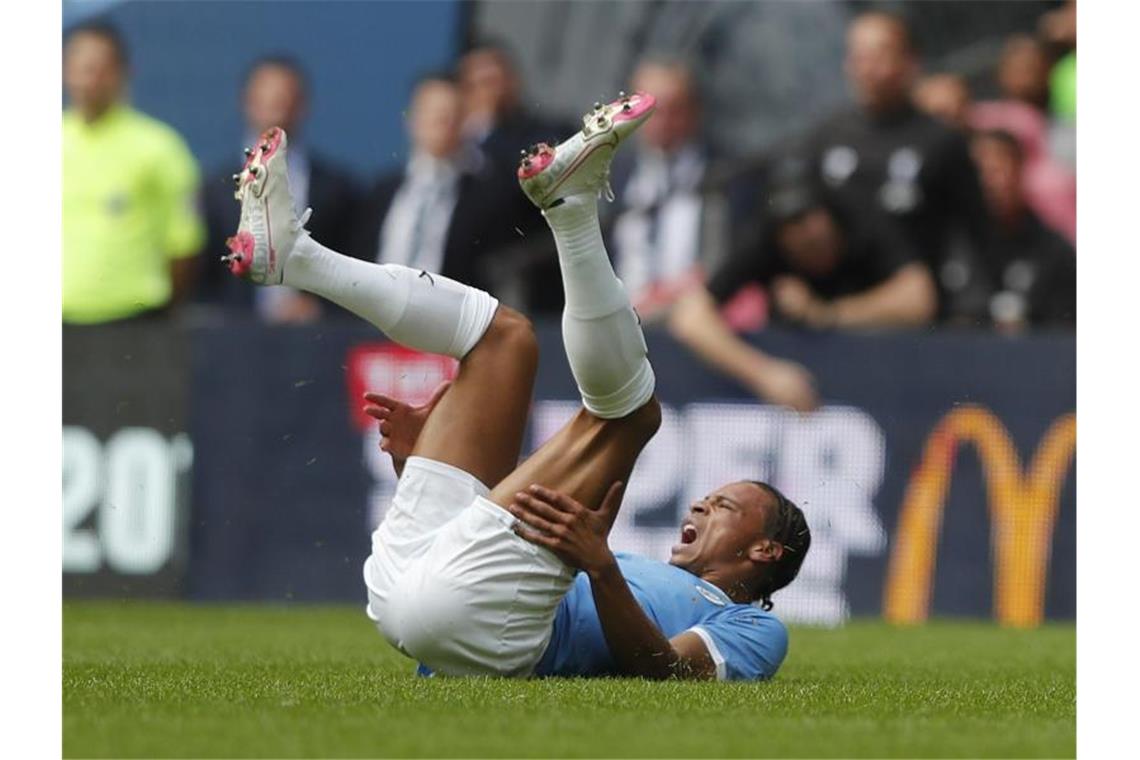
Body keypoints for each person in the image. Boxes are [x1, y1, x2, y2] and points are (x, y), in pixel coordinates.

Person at [220, 93, 810, 680]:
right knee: (503, 339)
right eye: (713, 497)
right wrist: (427, 461)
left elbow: (676, 675)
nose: (702, 502)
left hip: (475, 626)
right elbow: (494, 554)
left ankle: (571, 209)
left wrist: (600, 569)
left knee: (632, 418)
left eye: (726, 506)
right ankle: (294, 256)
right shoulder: (625, 563)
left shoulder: (754, 628)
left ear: (765, 551)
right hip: (422, 591)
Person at [800, 10, 993, 325]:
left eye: (879, 55)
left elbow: (974, 234)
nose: (868, 67)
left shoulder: (940, 141)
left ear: (910, 61)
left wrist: (972, 307)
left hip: (924, 321)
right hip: (836, 319)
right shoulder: (827, 137)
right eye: (858, 56)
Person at [63, 20, 204, 324]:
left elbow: (184, 244)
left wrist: (160, 314)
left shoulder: (160, 147)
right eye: (81, 66)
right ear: (65, 70)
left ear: (122, 73)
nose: (90, 78)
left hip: (138, 324)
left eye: (100, 67)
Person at [200, 56, 360, 322]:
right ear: (247, 101)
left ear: (303, 104)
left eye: (285, 96)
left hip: (316, 336)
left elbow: (351, 269)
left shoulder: (336, 188)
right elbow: (205, 277)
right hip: (233, 335)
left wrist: (319, 308)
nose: (276, 105)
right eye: (267, 96)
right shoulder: (215, 188)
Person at [350, 74, 524, 294]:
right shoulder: (383, 191)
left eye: (452, 114)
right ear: (412, 118)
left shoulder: (486, 195)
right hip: (374, 318)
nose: (442, 123)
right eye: (433, 112)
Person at [605, 58, 722, 322]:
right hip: (621, 325)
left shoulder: (724, 174)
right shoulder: (612, 175)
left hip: (693, 323)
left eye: (674, 110)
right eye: (651, 111)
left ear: (694, 111)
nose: (662, 122)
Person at [970, 130, 1074, 330]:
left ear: (1020, 171)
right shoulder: (952, 244)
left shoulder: (1055, 252)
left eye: (997, 170)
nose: (988, 183)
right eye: (979, 172)